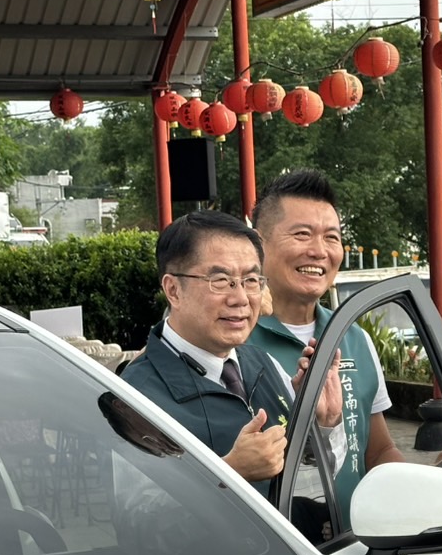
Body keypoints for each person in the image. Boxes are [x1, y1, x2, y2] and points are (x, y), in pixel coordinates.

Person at [249, 169, 426, 526]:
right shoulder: (234, 341)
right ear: (257, 243)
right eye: (302, 234)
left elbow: (377, 452)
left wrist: (423, 488)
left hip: (356, 551)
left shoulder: (353, 336)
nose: (319, 251)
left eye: (331, 237)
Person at [125, 211, 338, 496]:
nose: (240, 299)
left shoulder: (263, 364)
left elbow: (310, 487)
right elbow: (138, 520)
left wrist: (321, 423)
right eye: (221, 280)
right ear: (173, 290)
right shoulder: (135, 397)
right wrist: (230, 473)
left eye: (251, 280)